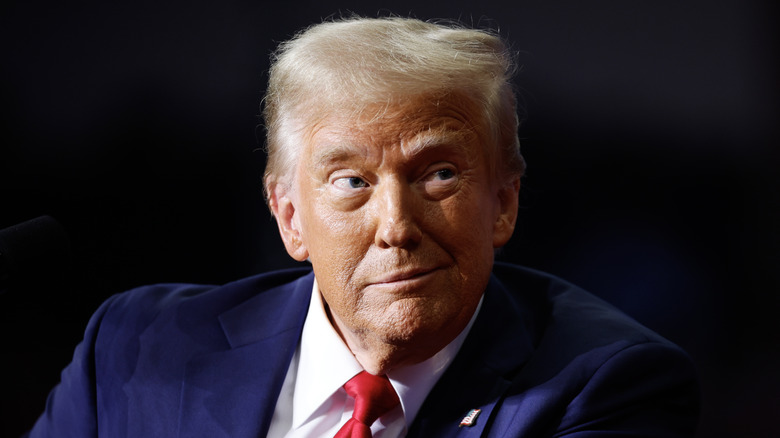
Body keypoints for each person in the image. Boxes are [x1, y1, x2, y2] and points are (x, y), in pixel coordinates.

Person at [25, 16, 699, 437]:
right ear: (290, 217)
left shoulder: (607, 385)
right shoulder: (135, 348)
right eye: (351, 182)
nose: (396, 226)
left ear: (503, 203)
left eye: (438, 175)